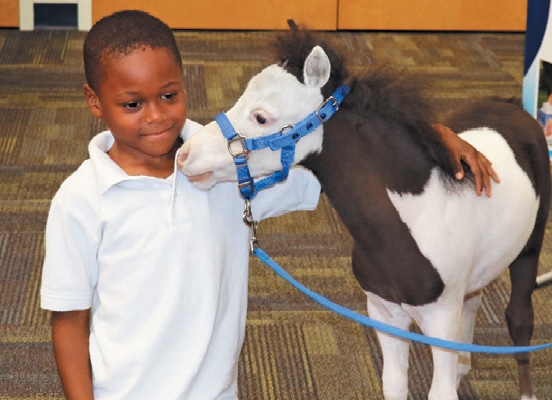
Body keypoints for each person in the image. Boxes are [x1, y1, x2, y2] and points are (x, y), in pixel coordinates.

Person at [40, 10, 499, 400]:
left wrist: (430, 133)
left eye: (168, 95)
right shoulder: (79, 202)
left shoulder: (230, 174)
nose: (156, 115)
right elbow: (68, 319)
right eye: (132, 103)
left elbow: (344, 155)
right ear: (94, 102)